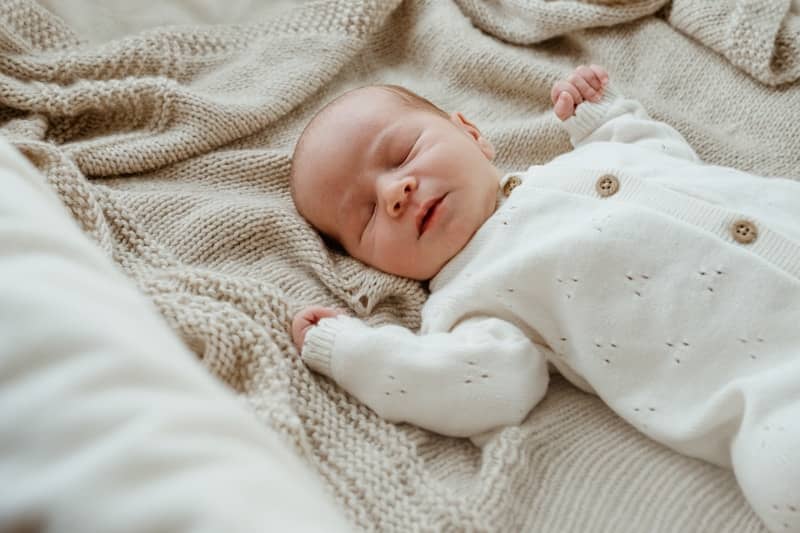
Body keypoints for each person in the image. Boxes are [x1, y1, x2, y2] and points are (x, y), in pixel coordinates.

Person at [288, 65, 800, 532]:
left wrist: (604, 115)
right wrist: (350, 350)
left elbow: (663, 156)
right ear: (372, 265)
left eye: (403, 155)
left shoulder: (585, 159)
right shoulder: (469, 297)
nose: (394, 193)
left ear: (471, 134)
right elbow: (482, 383)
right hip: (770, 382)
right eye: (366, 216)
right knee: (781, 469)